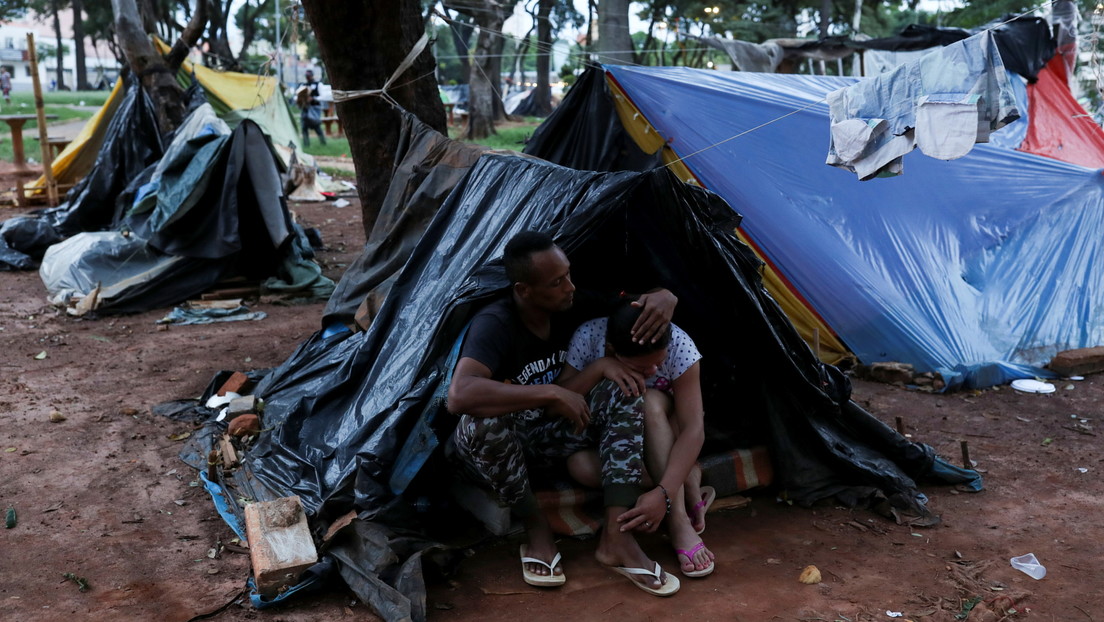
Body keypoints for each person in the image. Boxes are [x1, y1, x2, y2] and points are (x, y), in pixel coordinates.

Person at [447, 230, 681, 596]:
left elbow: (633, 300)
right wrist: (550, 392)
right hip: (501, 452)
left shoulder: (573, 302)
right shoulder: (496, 323)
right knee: (480, 424)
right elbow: (459, 395)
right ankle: (535, 526)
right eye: (557, 282)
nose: (570, 286)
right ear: (524, 290)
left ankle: (617, 535)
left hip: (555, 436)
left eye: (568, 274)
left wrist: (665, 296)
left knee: (627, 385)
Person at [558, 300, 715, 578]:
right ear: (611, 351)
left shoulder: (681, 346)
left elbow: (693, 428)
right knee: (579, 466)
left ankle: (677, 519)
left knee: (649, 399)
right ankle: (686, 477)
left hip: (665, 428)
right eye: (643, 367)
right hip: (620, 444)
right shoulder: (589, 337)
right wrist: (599, 368)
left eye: (659, 363)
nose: (654, 371)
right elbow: (557, 397)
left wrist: (663, 494)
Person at [297, 69, 326, 146]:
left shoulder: (318, 84)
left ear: (312, 75)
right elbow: (296, 97)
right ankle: (306, 144)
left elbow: (323, 96)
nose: (308, 77)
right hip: (305, 108)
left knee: (316, 125)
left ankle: (323, 143)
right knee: (304, 127)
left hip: (314, 108)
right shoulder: (303, 85)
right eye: (307, 76)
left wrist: (313, 98)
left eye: (309, 76)